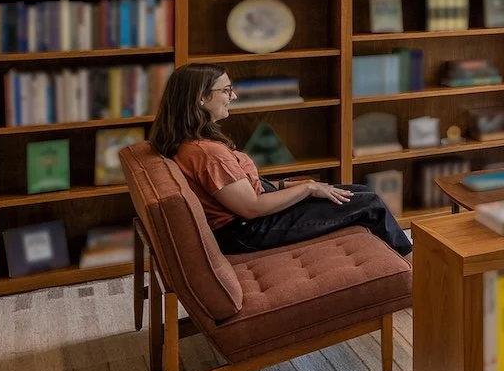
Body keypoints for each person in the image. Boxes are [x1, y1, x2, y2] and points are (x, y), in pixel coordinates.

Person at [148, 65, 413, 254]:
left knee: (356, 193)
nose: (234, 96)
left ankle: (392, 265)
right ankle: (415, 271)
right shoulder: (207, 153)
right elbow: (251, 207)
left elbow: (245, 188)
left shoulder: (188, 142)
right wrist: (307, 188)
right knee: (369, 203)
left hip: (247, 225)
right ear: (201, 98)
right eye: (226, 90)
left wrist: (296, 185)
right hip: (247, 232)